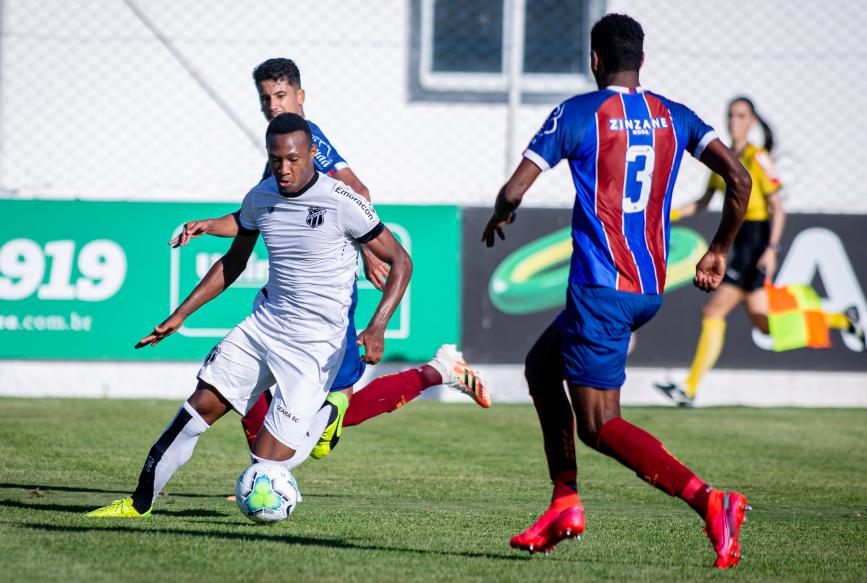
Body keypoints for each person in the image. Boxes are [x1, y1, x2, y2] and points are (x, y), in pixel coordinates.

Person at [481, 14, 754, 568]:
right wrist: (719, 248)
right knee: (541, 367)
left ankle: (710, 501)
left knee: (600, 426)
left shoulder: (578, 113)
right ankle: (564, 502)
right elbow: (740, 179)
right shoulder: (676, 117)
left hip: (600, 288)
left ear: (594, 59)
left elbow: (514, 189)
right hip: (649, 286)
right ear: (642, 62)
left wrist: (500, 213)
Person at [87, 113, 412, 517]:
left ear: (312, 153)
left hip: (314, 348)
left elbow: (401, 260)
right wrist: (180, 314)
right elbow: (233, 262)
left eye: (293, 159)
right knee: (197, 407)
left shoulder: (342, 202)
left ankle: (327, 411)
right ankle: (137, 505)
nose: (284, 169)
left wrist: (377, 326)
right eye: (276, 159)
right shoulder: (261, 197)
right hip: (264, 328)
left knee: (268, 462)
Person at [170, 58, 490, 460]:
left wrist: (367, 249)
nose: (273, 106)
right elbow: (255, 215)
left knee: (318, 405)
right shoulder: (282, 147)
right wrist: (209, 225)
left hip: (323, 300)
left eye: (281, 95)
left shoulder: (308, 139)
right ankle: (266, 470)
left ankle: (436, 372)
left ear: (300, 96)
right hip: (290, 302)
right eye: (265, 99)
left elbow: (354, 189)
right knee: (273, 397)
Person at [655, 97, 865, 407]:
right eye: (731, 115)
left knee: (713, 311)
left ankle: (689, 388)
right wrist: (666, 215)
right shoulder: (723, 158)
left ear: (752, 121)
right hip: (737, 241)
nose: (734, 120)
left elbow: (777, 208)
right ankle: (842, 319)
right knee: (764, 321)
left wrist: (771, 249)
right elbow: (702, 201)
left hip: (753, 242)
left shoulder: (759, 158)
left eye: (741, 115)